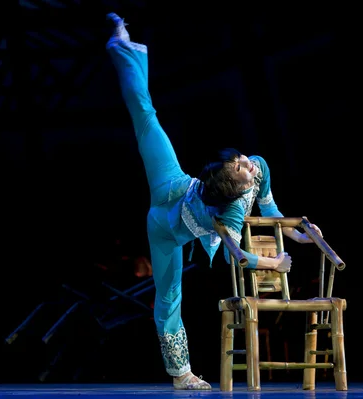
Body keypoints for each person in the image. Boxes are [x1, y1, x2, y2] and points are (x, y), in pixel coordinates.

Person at [105, 13, 323, 390]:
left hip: (172, 226)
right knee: (147, 118)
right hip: (169, 202)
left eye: (242, 162)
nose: (248, 165)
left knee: (170, 295)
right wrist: (275, 261)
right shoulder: (231, 211)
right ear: (232, 190)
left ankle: (179, 375)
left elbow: (270, 210)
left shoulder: (259, 167)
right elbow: (233, 256)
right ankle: (123, 48)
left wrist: (300, 237)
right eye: (241, 167)